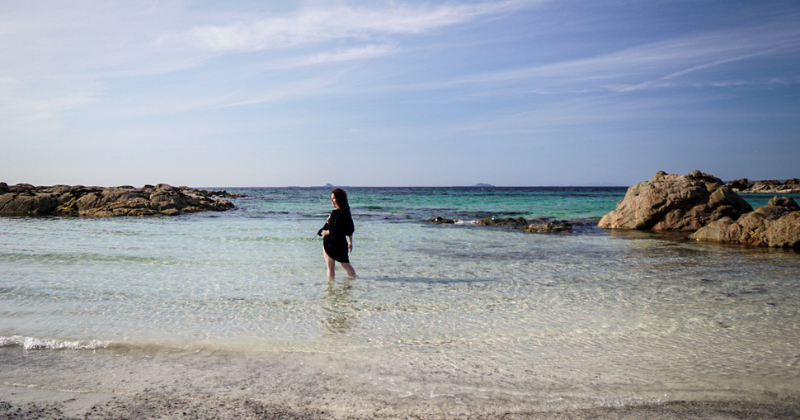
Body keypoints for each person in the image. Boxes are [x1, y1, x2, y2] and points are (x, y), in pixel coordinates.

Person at [317, 188, 357, 278]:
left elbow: (335, 229)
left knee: (330, 268)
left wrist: (325, 232)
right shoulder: (346, 212)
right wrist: (351, 242)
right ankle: (355, 280)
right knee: (346, 264)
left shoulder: (335, 213)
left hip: (331, 242)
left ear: (339, 199)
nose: (331, 200)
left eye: (333, 198)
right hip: (342, 242)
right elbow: (350, 229)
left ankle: (330, 288)